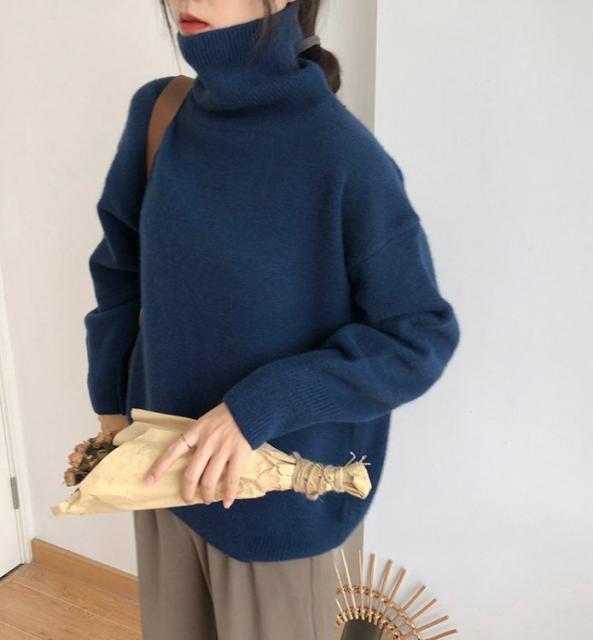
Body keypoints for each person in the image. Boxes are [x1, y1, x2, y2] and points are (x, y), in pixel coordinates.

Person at [84, 1, 461, 638]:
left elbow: (419, 336)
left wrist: (257, 407)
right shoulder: (161, 115)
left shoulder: (341, 156)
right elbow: (121, 272)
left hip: (281, 512)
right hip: (161, 478)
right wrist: (111, 412)